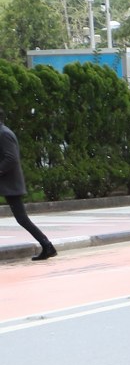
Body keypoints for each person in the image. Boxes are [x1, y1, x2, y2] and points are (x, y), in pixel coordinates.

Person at [0, 112, 55, 261]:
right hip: (6, 183)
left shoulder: (4, 134)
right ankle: (47, 245)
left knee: (22, 219)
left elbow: (11, 158)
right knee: (22, 219)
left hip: (10, 183)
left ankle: (47, 245)